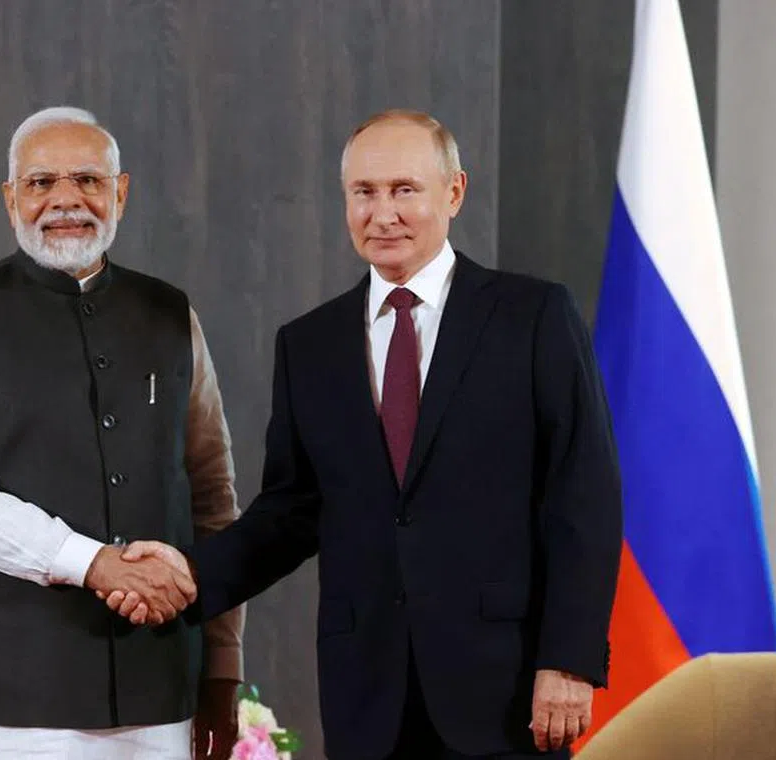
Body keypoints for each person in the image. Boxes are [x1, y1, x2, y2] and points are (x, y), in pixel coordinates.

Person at [105, 110, 623, 760]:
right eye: (365, 193)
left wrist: (569, 660)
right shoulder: (310, 344)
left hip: (506, 690)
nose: (384, 214)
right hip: (367, 696)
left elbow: (584, 497)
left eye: (405, 190)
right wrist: (188, 573)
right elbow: (291, 512)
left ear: (454, 192)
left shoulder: (534, 317)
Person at [0, 106, 244, 760]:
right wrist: (93, 562)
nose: (65, 200)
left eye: (87, 180)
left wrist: (221, 669)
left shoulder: (171, 315)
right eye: (40, 183)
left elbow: (211, 501)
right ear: (10, 199)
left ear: (120, 193)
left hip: (157, 702)